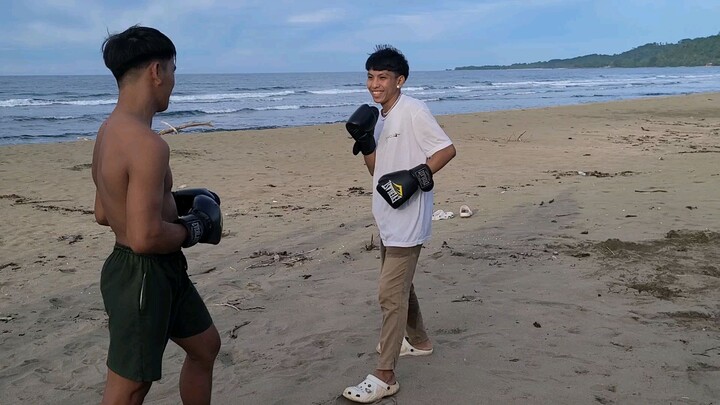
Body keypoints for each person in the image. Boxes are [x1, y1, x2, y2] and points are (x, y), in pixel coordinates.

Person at [92, 25, 223, 405]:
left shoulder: (107, 132)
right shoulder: (148, 145)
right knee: (130, 386)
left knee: (205, 346)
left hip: (156, 270)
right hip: (142, 274)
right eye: (172, 71)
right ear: (156, 71)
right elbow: (144, 237)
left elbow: (103, 212)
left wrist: (170, 201)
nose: (173, 81)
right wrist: (194, 227)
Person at [342, 45, 456, 403]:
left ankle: (385, 374)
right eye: (370, 77)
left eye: (383, 78)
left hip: (409, 220)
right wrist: (365, 142)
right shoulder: (382, 116)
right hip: (387, 218)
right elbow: (377, 169)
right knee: (401, 288)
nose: (374, 84)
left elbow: (446, 149)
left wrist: (417, 176)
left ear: (399, 80)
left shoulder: (413, 111)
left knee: (389, 296)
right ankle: (419, 342)